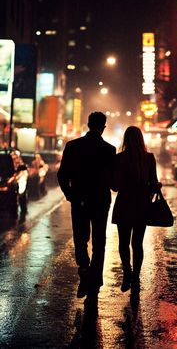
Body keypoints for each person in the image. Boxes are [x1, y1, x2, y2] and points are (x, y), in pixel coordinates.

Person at [57, 112, 116, 307]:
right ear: (103, 127)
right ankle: (95, 281)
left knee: (80, 238)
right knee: (99, 241)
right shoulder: (109, 150)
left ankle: (84, 269)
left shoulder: (73, 147)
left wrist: (71, 195)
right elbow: (112, 180)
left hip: (80, 200)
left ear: (88, 124)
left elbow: (62, 175)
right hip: (100, 201)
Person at [111, 126, 161, 296]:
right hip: (142, 206)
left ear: (125, 139)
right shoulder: (149, 158)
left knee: (123, 243)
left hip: (124, 205)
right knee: (137, 243)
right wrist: (155, 186)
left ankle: (127, 273)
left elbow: (115, 187)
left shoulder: (119, 158)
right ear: (141, 139)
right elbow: (153, 184)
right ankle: (136, 277)